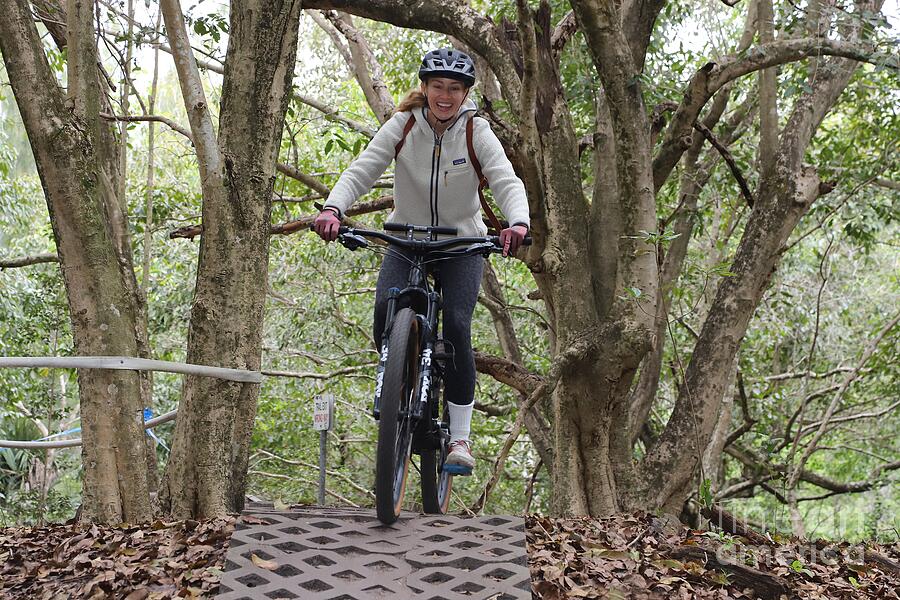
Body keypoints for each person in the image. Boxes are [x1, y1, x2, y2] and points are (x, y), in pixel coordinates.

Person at [313, 48, 530, 471]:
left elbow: (505, 178)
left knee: (459, 327)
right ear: (425, 88)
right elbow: (364, 168)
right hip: (405, 237)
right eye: (437, 87)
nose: (444, 96)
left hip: (460, 244)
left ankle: (460, 440)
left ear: (465, 93)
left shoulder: (476, 131)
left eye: (454, 88)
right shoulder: (404, 124)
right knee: (384, 310)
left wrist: (518, 221)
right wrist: (333, 208)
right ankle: (399, 385)